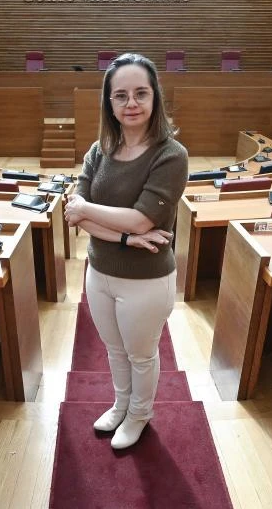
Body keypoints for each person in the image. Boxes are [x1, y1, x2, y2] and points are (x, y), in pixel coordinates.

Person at [64, 53, 188, 450]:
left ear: (155, 98)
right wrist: (121, 236)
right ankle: (120, 405)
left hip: (147, 280)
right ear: (110, 103)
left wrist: (88, 211)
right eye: (121, 95)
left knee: (141, 354)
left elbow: (139, 220)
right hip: (99, 271)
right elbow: (73, 215)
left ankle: (140, 414)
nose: (131, 103)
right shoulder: (98, 151)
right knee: (114, 349)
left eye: (140, 93)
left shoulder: (171, 155)